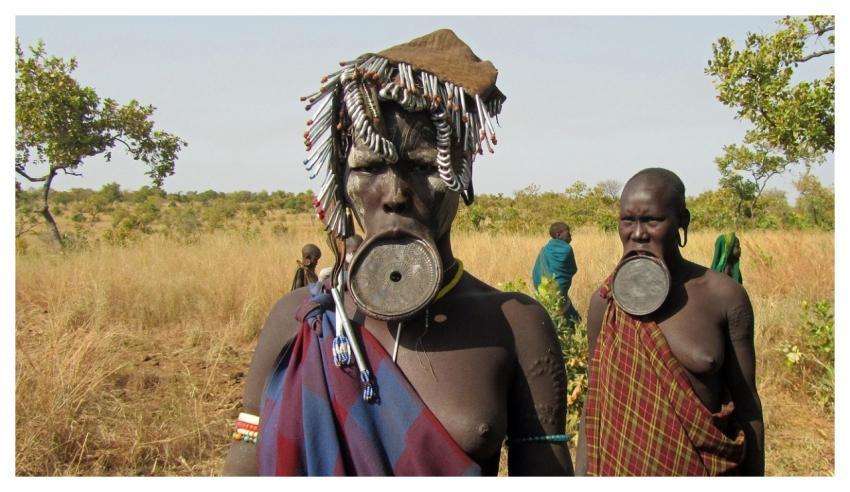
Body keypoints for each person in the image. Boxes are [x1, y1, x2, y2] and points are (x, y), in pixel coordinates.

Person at [223, 29, 573, 476]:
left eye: (425, 167)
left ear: (462, 174)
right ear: (339, 182)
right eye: (369, 167)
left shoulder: (516, 323)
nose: (395, 194)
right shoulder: (298, 319)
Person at [576, 167, 763, 476]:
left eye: (652, 220)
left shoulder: (724, 297)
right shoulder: (606, 302)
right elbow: (594, 405)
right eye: (628, 220)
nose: (638, 233)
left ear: (682, 222)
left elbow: (748, 407)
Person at [532, 222, 580, 326]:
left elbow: (536, 271)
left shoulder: (545, 249)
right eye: (568, 232)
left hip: (543, 291)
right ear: (558, 235)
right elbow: (572, 269)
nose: (571, 234)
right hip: (559, 292)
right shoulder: (567, 249)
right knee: (572, 320)